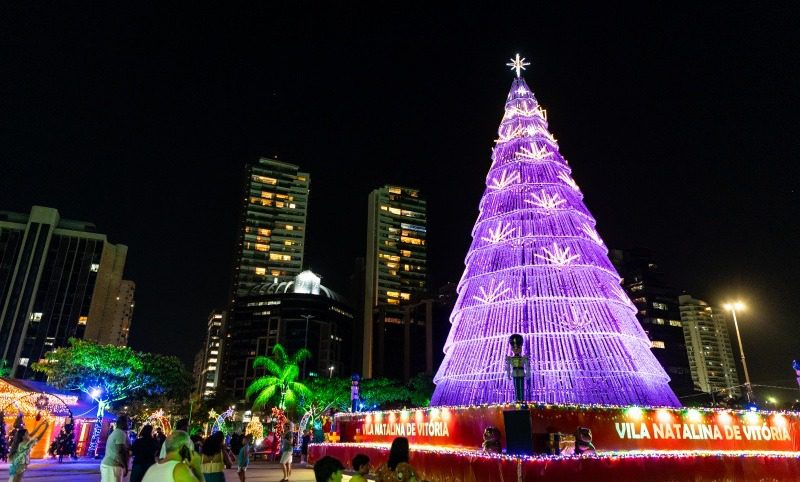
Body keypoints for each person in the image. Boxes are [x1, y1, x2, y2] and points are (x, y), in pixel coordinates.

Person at [8, 418, 49, 482]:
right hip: (19, 465)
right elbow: (38, 438)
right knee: (15, 480)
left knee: (15, 479)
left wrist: (40, 425)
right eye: (27, 433)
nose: (29, 435)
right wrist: (46, 428)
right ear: (23, 436)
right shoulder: (25, 444)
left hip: (19, 464)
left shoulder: (22, 442)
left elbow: (32, 433)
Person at [100, 414, 131, 482]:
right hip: (113, 466)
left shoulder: (118, 432)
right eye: (128, 422)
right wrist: (125, 466)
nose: (129, 424)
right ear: (123, 423)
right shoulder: (120, 433)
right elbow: (120, 451)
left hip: (111, 465)